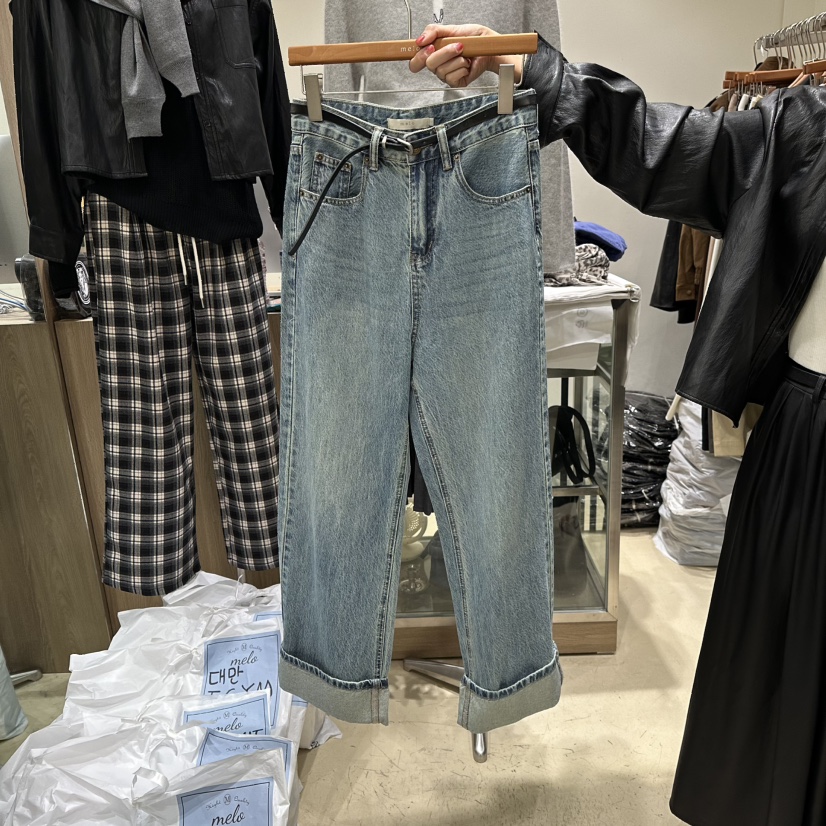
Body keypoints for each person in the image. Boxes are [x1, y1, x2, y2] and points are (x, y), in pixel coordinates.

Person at [411, 23, 826, 826]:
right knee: (783, 686)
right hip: (809, 445)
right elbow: (661, 145)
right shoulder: (805, 129)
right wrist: (540, 71)